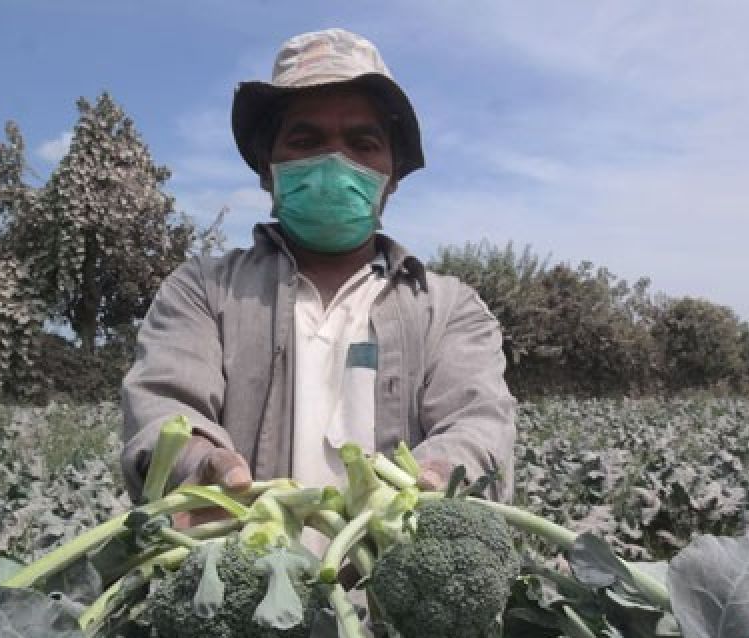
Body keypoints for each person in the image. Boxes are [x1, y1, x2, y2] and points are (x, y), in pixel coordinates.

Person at [120, 29, 516, 546]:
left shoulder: (448, 308)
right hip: (240, 594)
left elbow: (479, 421)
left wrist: (440, 473)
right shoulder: (203, 291)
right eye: (306, 141)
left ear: (391, 175)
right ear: (269, 168)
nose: (334, 161)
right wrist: (198, 462)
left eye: (362, 143)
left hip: (388, 616)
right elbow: (165, 404)